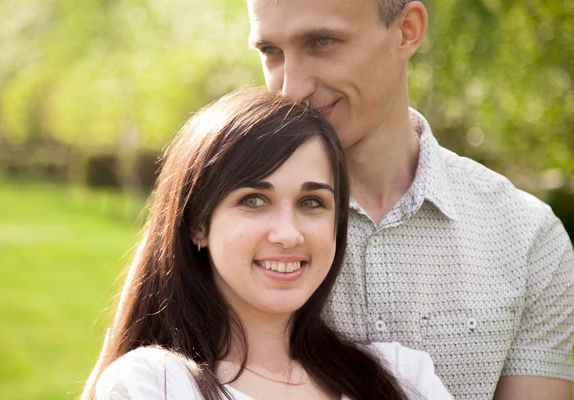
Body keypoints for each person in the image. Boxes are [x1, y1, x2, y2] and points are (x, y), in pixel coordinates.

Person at [243, 0, 574, 399]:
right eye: (271, 51)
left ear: (407, 31)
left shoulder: (527, 238)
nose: (291, 88)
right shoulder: (223, 222)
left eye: (322, 41)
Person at [82, 89, 453, 400]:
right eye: (254, 201)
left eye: (312, 203)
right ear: (197, 224)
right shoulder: (157, 384)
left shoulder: (403, 377)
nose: (288, 234)